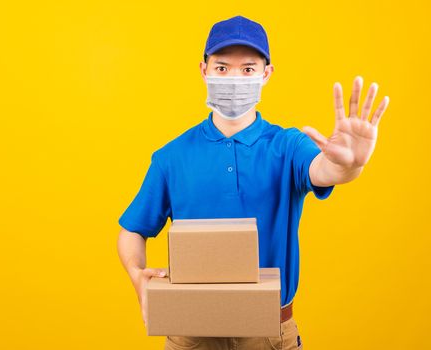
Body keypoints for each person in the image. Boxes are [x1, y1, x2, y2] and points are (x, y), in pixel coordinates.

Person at [116, 15, 389, 350]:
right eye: (221, 68)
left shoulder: (288, 146)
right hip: (191, 333)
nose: (234, 78)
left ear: (266, 74)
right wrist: (136, 274)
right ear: (204, 71)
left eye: (247, 69)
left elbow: (325, 170)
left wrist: (349, 164)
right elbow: (132, 229)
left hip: (269, 333)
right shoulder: (171, 157)